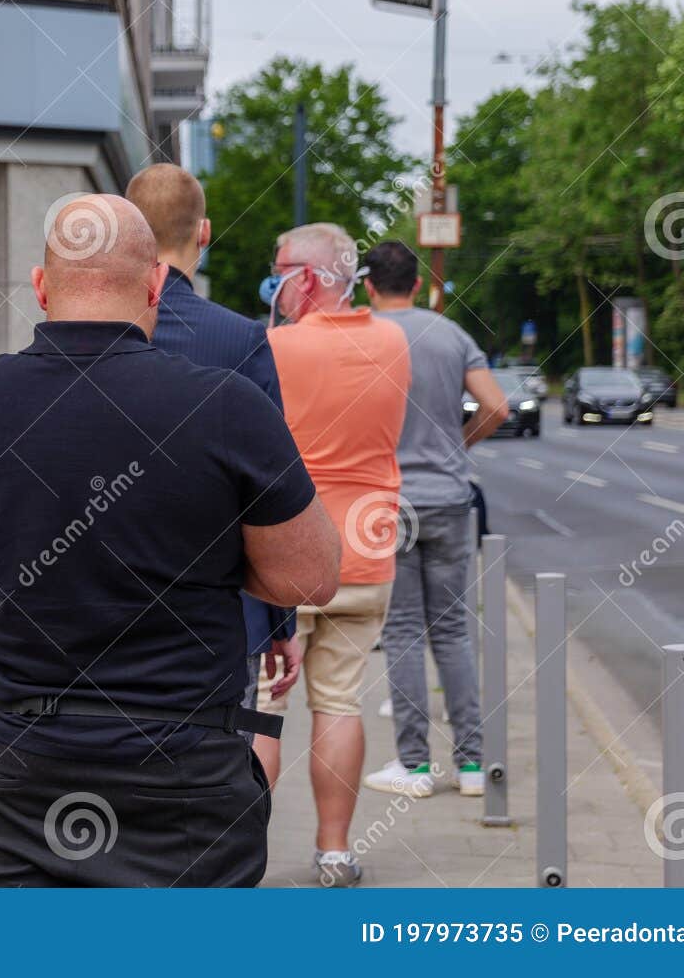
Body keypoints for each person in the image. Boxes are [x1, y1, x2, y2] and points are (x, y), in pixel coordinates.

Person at [0, 193, 340, 888]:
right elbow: (310, 577)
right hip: (181, 764)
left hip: (25, 762)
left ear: (41, 286)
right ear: (155, 282)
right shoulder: (224, 404)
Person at [254, 222, 411, 888]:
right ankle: (335, 850)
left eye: (281, 270)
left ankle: (242, 852)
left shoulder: (273, 348)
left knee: (262, 706)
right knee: (339, 701)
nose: (274, 283)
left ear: (310, 278)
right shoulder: (393, 341)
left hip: (288, 553)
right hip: (367, 552)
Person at [125, 163, 301, 716]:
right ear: (203, 233)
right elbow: (271, 485)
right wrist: (279, 621)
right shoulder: (240, 337)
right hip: (222, 614)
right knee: (218, 771)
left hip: (107, 610)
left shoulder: (97, 330)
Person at [362, 240, 507, 800]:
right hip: (449, 496)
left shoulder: (361, 336)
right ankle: (473, 766)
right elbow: (495, 406)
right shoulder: (451, 335)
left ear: (369, 286)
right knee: (452, 631)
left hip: (388, 501)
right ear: (418, 285)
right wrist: (458, 445)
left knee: (401, 632)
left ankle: (415, 766)